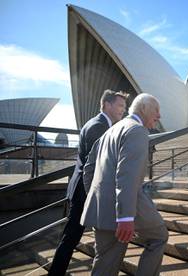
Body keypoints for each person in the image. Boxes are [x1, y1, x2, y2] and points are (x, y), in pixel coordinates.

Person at [80, 93, 168, 276]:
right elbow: (127, 176)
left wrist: (98, 200)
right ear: (143, 108)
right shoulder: (137, 130)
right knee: (159, 236)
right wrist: (125, 218)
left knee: (105, 264)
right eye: (156, 110)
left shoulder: (110, 130)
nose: (159, 116)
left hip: (101, 209)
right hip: (124, 208)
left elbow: (88, 169)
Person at [49, 90, 127, 275]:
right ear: (107, 105)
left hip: (84, 190)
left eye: (124, 107)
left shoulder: (97, 124)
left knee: (72, 237)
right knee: (71, 237)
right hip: (84, 192)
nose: (123, 110)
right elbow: (97, 165)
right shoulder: (98, 127)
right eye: (120, 106)